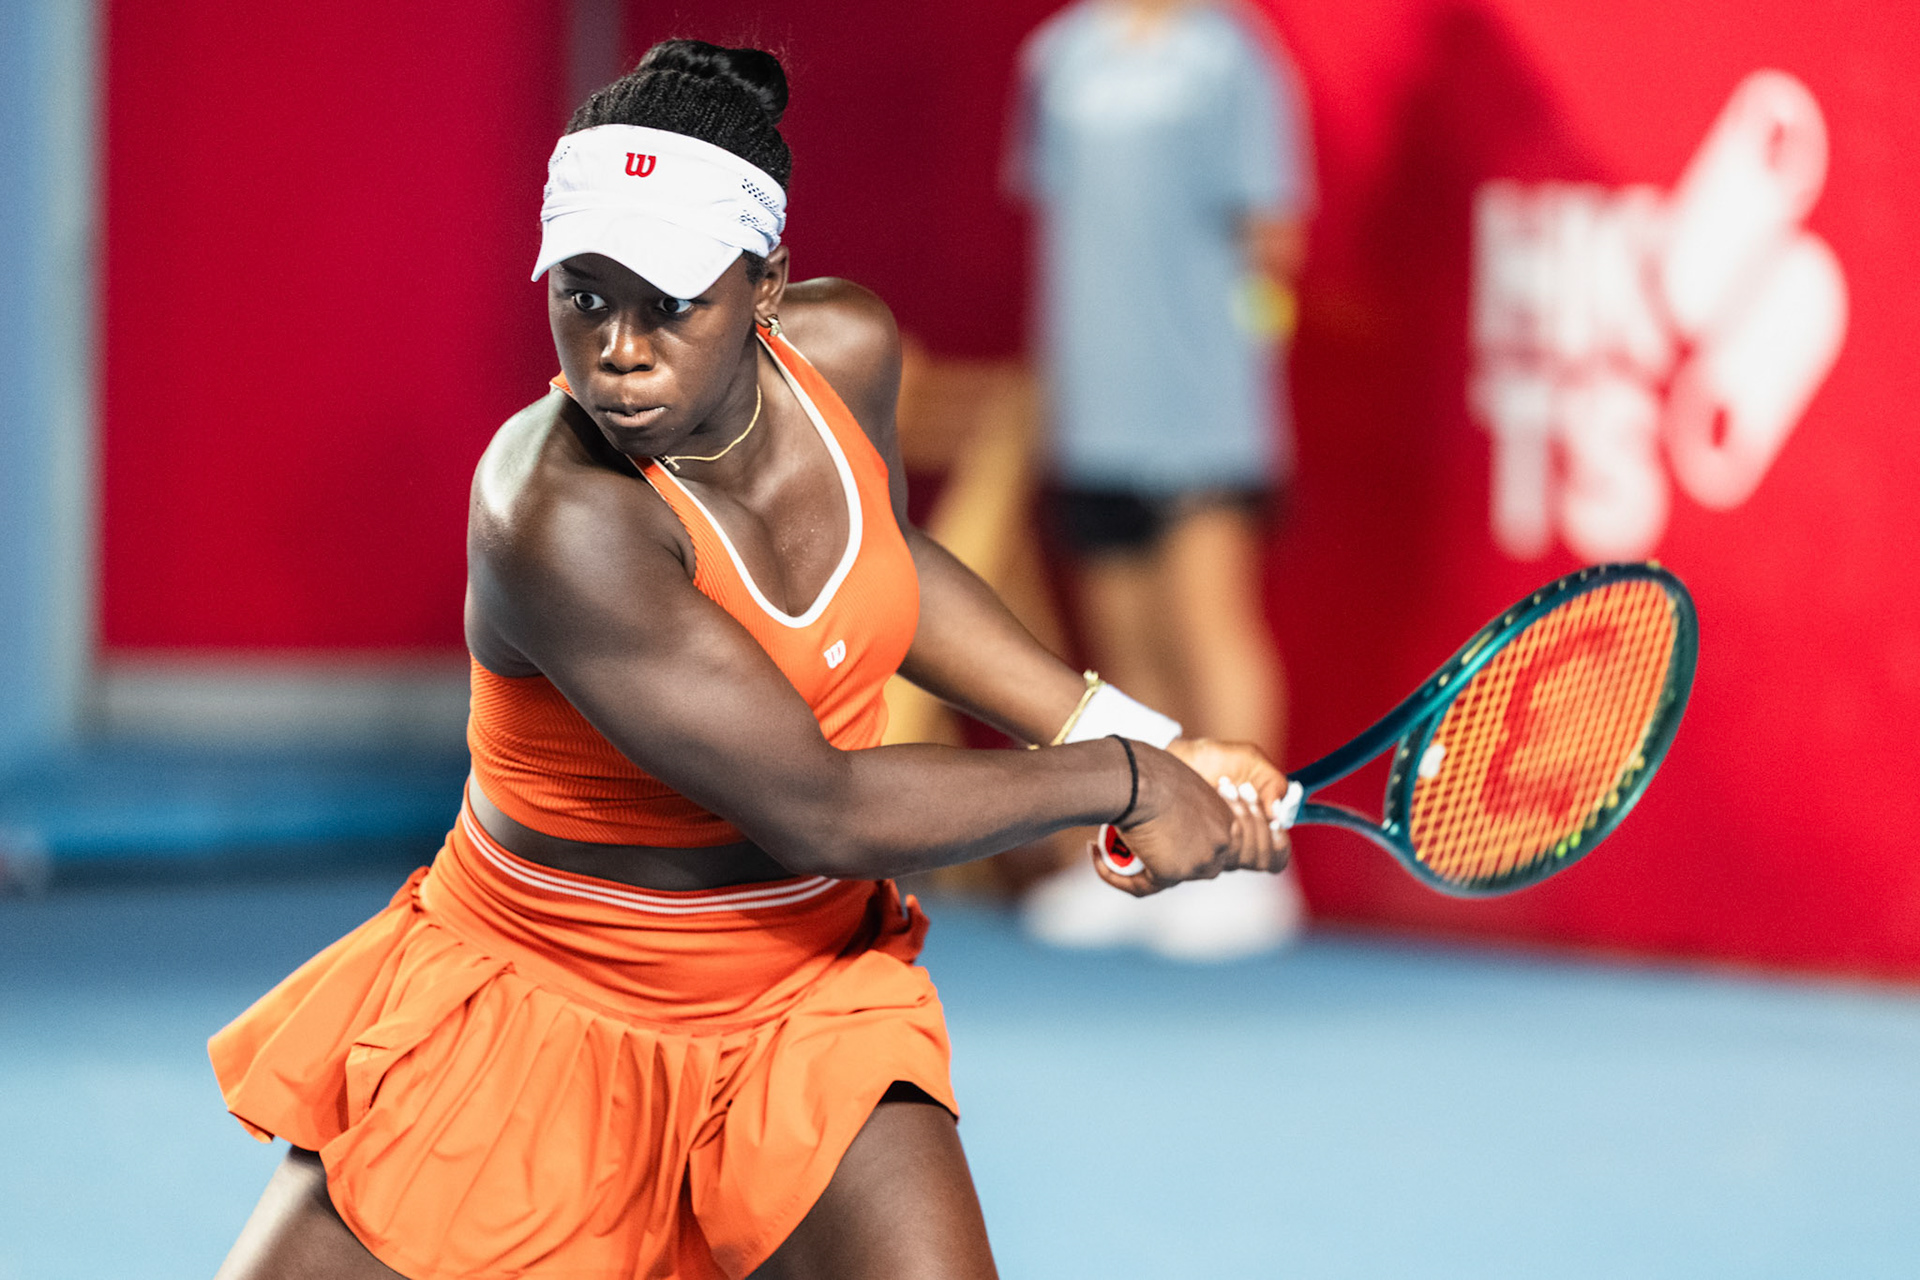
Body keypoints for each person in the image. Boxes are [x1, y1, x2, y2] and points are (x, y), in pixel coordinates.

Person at [207, 40, 1292, 1280]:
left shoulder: (849, 351)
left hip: (799, 998)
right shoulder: (554, 512)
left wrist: (1144, 733)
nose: (615, 347)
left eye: (668, 300)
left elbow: (884, 561)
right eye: (582, 292)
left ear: (766, 284)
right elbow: (821, 806)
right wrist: (1129, 780)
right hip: (533, 1000)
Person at [1005, 0, 1315, 960]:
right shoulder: (1057, 56)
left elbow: (1275, 244)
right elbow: (1062, 223)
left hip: (1203, 409)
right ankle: (1145, 854)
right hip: (1094, 406)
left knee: (1207, 624)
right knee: (1124, 651)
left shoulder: (1234, 58)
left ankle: (1247, 858)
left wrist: (1218, 353)